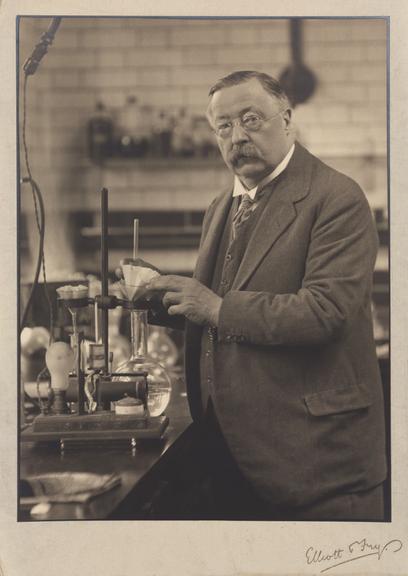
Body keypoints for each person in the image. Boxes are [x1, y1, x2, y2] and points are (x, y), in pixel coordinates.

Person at [144, 70, 387, 520]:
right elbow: (225, 312)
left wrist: (213, 306)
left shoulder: (337, 198)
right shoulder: (223, 206)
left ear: (287, 120)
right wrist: (159, 300)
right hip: (230, 456)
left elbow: (323, 311)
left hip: (314, 464)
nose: (237, 136)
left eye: (251, 119)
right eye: (224, 126)